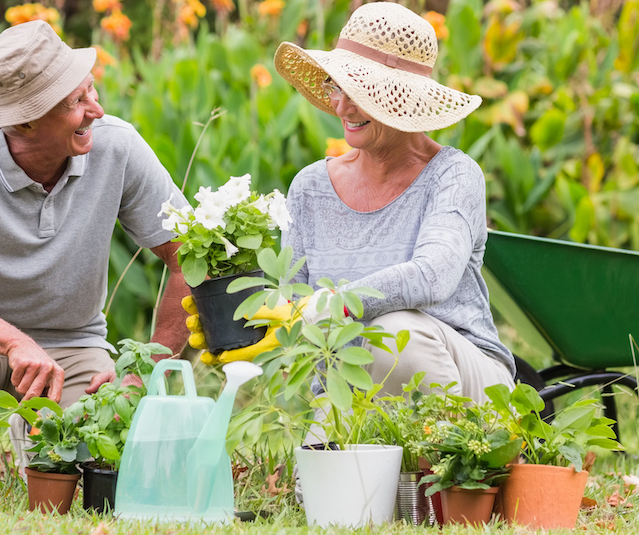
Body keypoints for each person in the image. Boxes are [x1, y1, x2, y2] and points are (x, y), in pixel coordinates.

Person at [187, 2, 515, 405]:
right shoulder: (310, 187)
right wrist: (240, 319)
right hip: (349, 394)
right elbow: (297, 303)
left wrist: (330, 304)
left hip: (465, 382)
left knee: (398, 334)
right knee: (321, 458)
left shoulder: (453, 176)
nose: (341, 107)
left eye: (359, 91)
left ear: (403, 96)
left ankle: (444, 464)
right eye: (337, 87)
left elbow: (433, 276)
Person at [0, 20, 190, 411]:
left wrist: (145, 370)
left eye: (91, 89)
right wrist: (14, 341)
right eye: (76, 102)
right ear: (25, 121)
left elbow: (188, 255)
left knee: (100, 439)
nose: (97, 110)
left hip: (73, 346)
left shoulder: (117, 146)